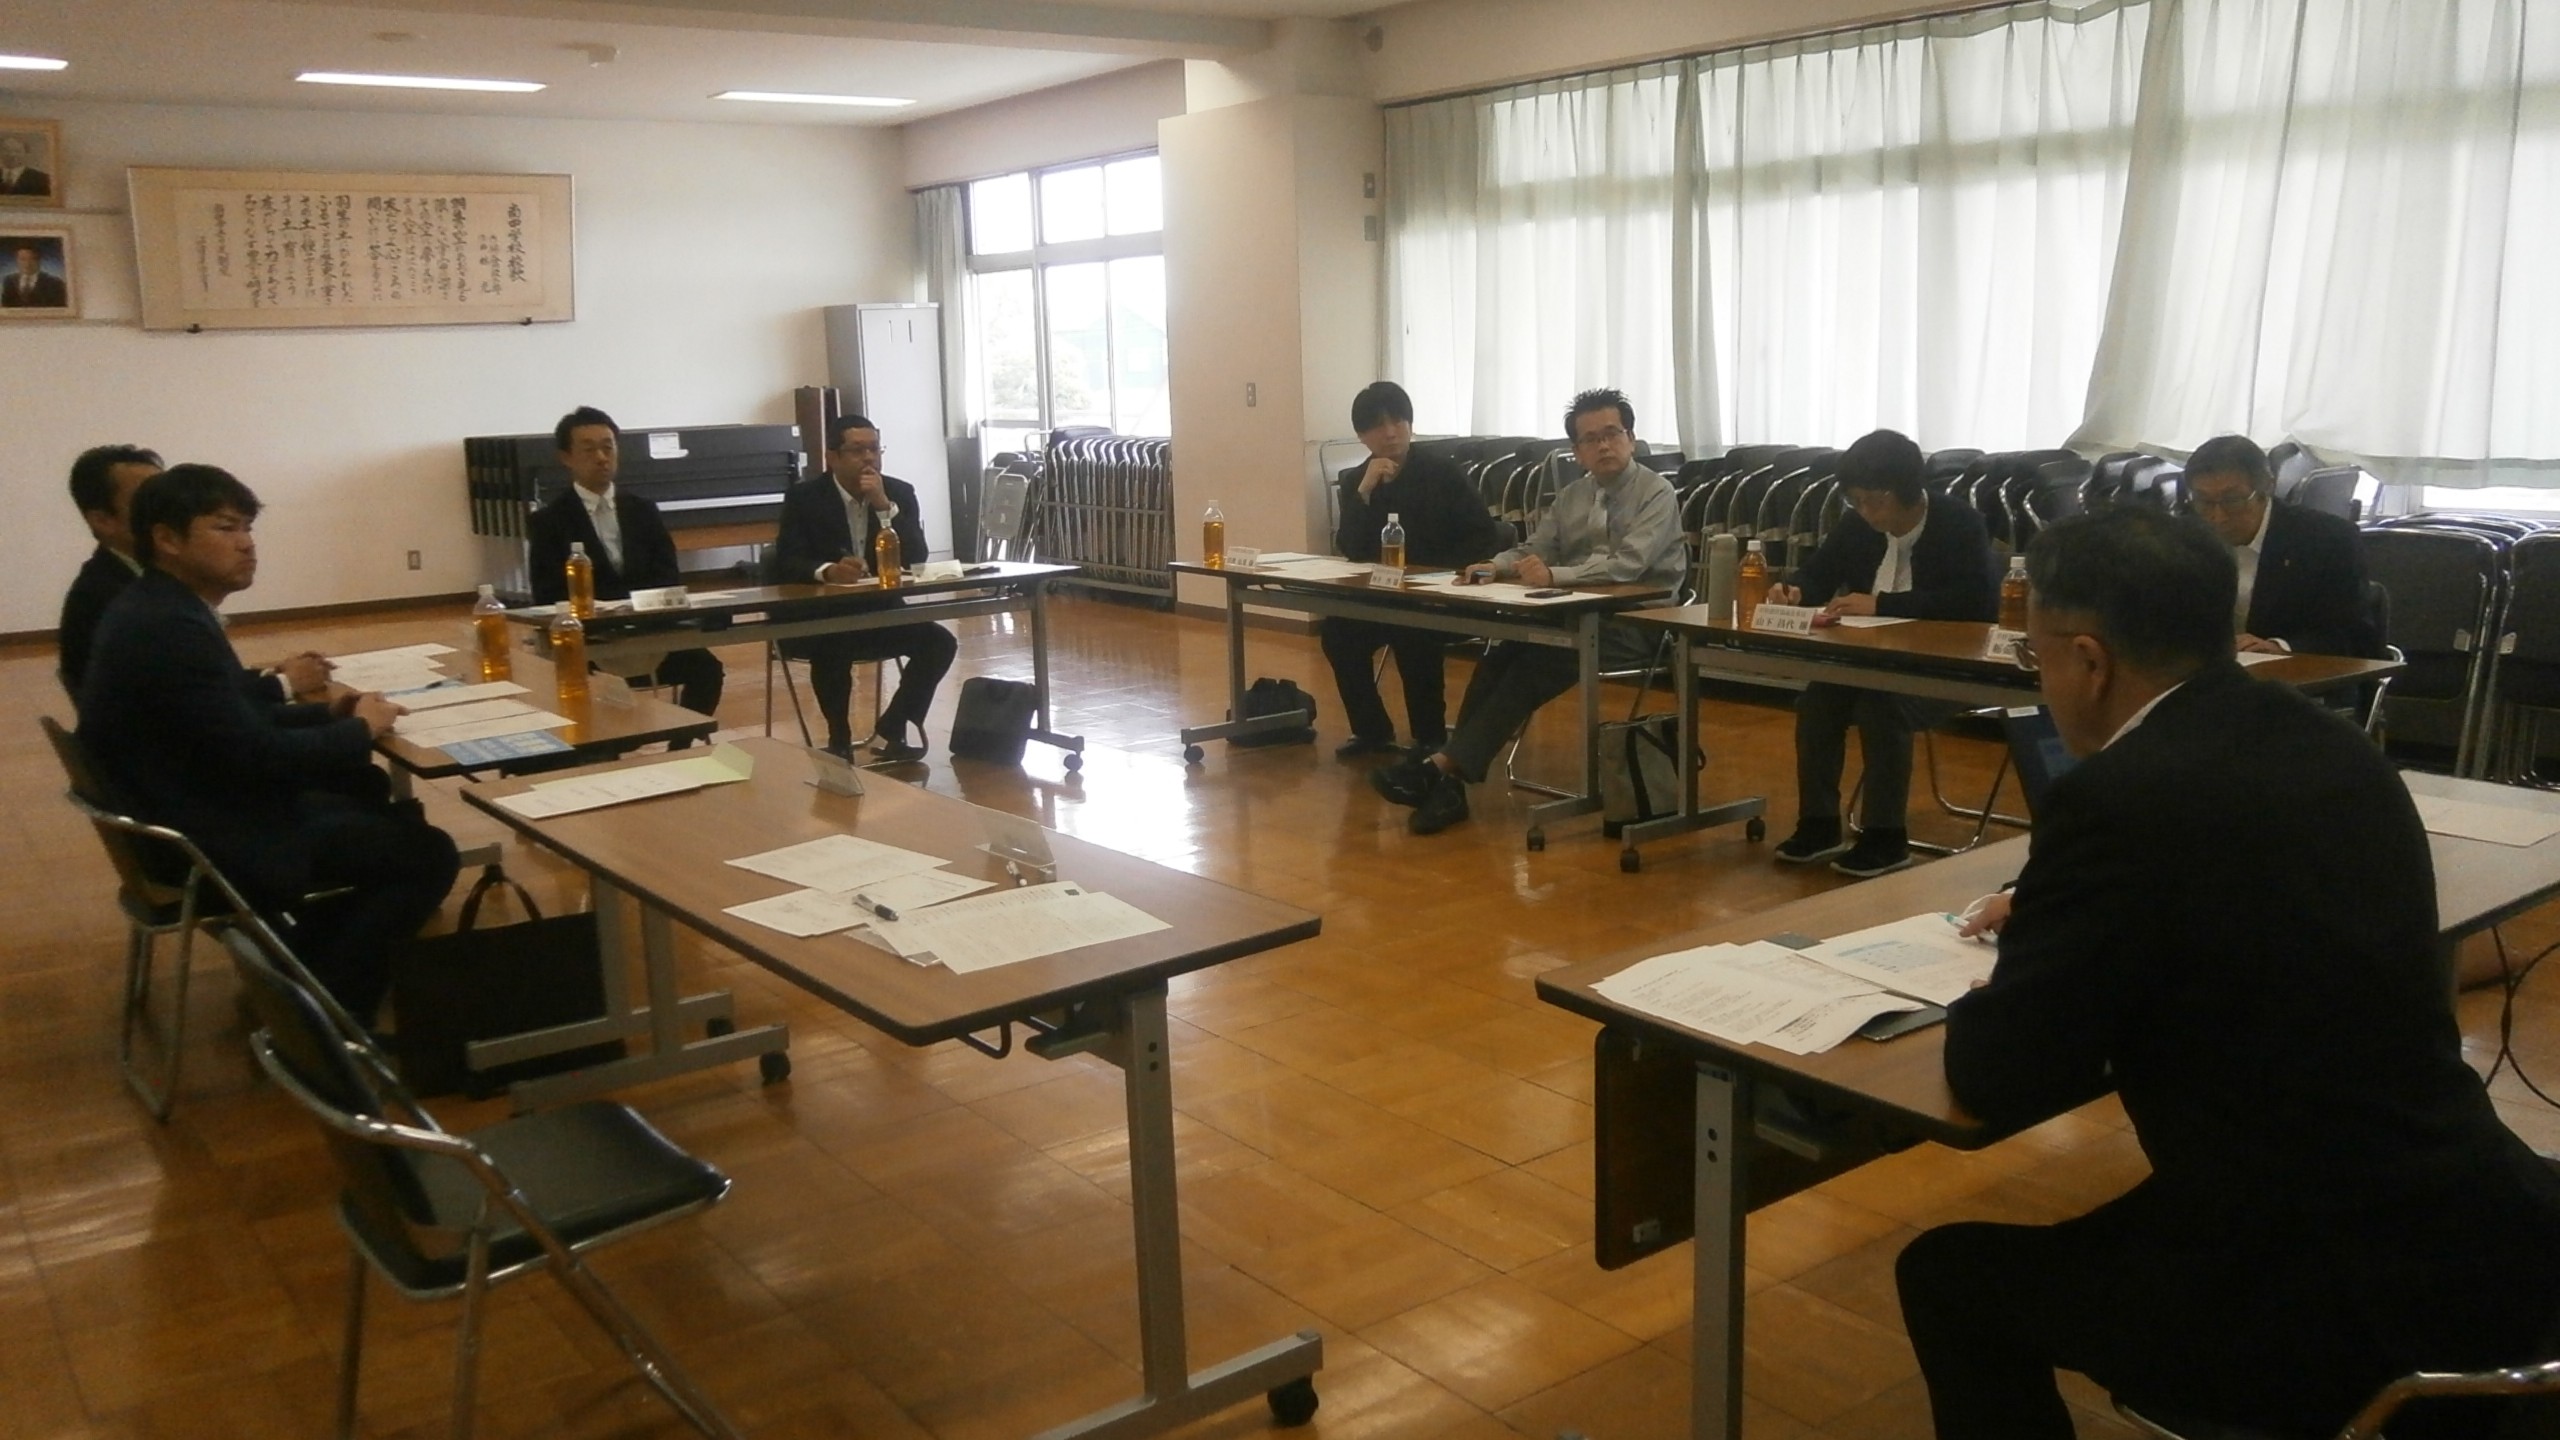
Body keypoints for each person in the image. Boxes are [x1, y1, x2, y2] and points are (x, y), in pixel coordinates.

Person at [1897, 505, 2560, 1440]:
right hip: (2477, 1211)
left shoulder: (2115, 800)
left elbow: (2000, 1072)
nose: (2039, 680)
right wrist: (2064, 913)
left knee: (1945, 1277)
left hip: (2327, 1283)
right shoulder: (2330, 741)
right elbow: (2236, 899)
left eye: (2035, 657)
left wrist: (2013, 973)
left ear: (2088, 661)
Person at [77, 465, 459, 1023]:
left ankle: (298, 972)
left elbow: (227, 718)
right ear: (167, 539)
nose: (247, 544)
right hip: (205, 836)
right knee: (427, 853)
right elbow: (256, 757)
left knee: (371, 799)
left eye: (248, 528)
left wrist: (328, 714)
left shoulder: (159, 607)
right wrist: (358, 730)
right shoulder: (170, 627)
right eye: (225, 528)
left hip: (181, 807)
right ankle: (325, 1019)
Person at [1370, 388, 1684, 836]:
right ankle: (1447, 780)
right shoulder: (1572, 496)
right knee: (1501, 653)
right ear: (1577, 452)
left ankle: (1439, 768)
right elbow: (1535, 548)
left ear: (1631, 439)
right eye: (1590, 439)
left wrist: (1555, 575)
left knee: (1537, 660)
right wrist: (1495, 565)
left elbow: (1628, 566)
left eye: (1612, 434)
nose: (1603, 446)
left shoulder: (1657, 493)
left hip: (1639, 623)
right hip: (1576, 617)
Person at [1767, 430, 1998, 877]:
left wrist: (1885, 605)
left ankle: (1885, 837)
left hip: (1948, 669)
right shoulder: (1857, 525)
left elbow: (1976, 604)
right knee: (1817, 702)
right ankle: (1818, 824)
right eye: (1857, 500)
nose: (1866, 512)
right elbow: (1818, 573)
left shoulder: (1959, 523)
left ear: (1908, 493)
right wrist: (1794, 591)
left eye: (1876, 501)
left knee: (1883, 707)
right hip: (1869, 661)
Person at [56, 443, 330, 699]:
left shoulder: (147, 588)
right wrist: (283, 684)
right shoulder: (115, 598)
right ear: (102, 520)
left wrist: (271, 677)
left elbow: (199, 686)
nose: (166, 505)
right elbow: (191, 708)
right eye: (148, 497)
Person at [1325, 381, 1508, 758]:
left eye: (1398, 421)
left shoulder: (1442, 472)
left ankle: (1429, 736)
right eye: (1378, 425)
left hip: (1442, 593)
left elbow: (1485, 535)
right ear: (1362, 436)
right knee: (1338, 631)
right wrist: (1364, 494)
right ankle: (1372, 730)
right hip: (1386, 595)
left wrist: (1437, 571)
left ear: (1410, 424)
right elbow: (1351, 549)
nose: (1391, 432)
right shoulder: (1357, 480)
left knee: (1412, 628)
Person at [771, 413, 957, 762]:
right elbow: (786, 560)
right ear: (832, 457)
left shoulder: (898, 493)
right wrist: (827, 571)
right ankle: (839, 738)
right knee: (833, 643)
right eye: (857, 451)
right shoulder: (805, 497)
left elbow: (917, 557)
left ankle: (894, 724)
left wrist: (885, 508)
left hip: (882, 612)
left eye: (874, 449)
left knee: (939, 642)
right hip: (822, 617)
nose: (869, 458)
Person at [526, 407, 724, 728]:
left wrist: (638, 609)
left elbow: (667, 574)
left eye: (608, 447)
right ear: (566, 457)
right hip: (590, 641)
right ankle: (607, 748)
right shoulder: (549, 521)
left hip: (647, 631)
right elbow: (546, 593)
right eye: (589, 449)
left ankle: (680, 748)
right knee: (580, 692)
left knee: (707, 670)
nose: (601, 457)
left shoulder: (643, 510)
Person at [2183, 433, 2370, 656]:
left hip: (2297, 672)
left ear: (2267, 488)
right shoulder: (2184, 539)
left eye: (2233, 500)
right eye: (2204, 502)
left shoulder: (2327, 540)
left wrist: (2280, 647)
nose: (2218, 516)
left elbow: (2352, 635)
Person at [3, 242, 68, 307]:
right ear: (17, 261)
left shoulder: (55, 283)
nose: (27, 264)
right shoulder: (9, 280)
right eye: (22, 259)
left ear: (39, 261)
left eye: (32, 259)